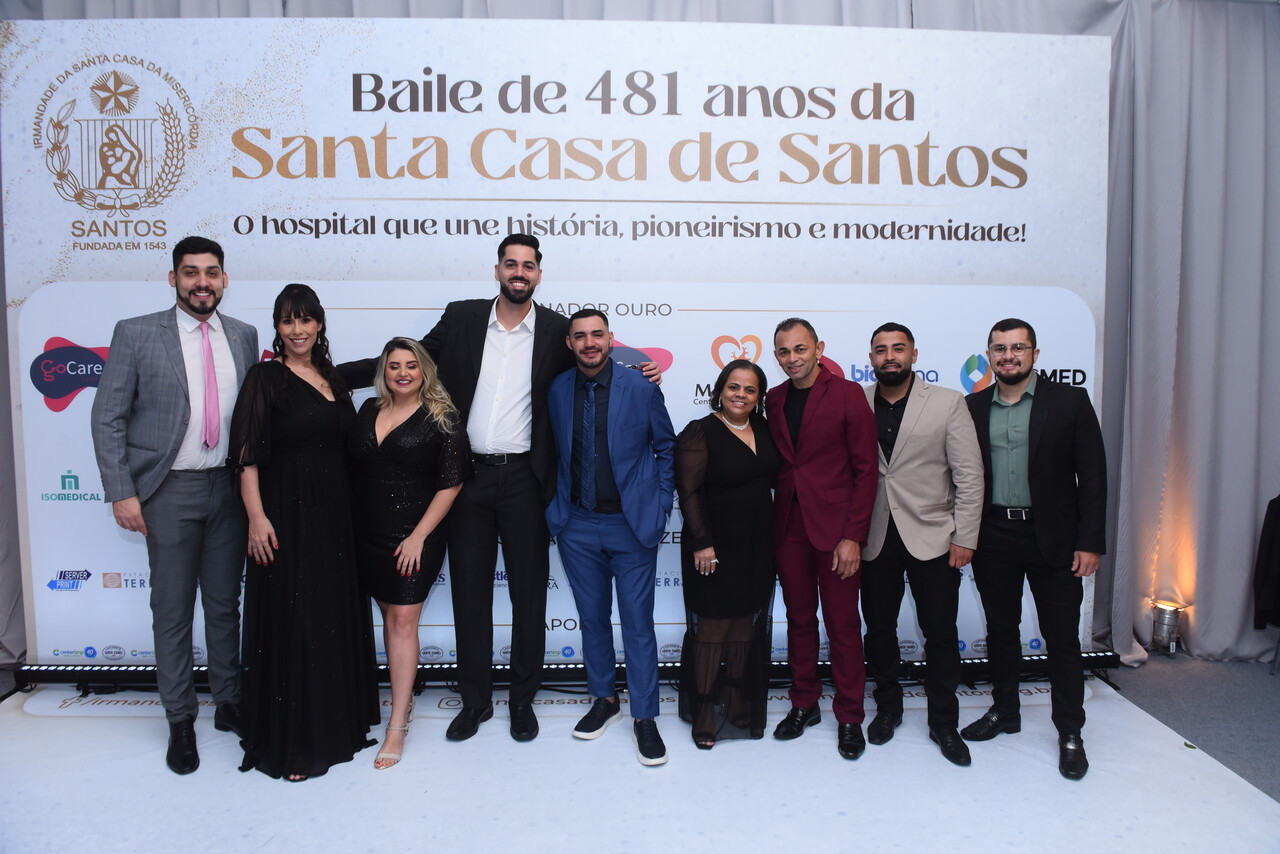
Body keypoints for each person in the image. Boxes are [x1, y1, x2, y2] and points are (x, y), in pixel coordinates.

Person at [337, 233, 658, 743]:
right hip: (466, 478)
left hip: (528, 480)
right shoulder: (462, 317)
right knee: (469, 594)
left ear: (539, 274)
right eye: (511, 264)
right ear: (497, 270)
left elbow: (595, 361)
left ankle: (522, 701)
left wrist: (640, 371)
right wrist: (322, 375)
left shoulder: (556, 329)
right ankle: (475, 701)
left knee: (529, 596)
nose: (519, 273)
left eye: (528, 266)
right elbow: (406, 359)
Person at [90, 236, 257, 775]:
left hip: (228, 490)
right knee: (172, 610)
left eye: (211, 273)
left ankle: (228, 702)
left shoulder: (244, 335)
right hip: (168, 491)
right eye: (190, 272)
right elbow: (108, 417)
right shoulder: (136, 333)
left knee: (225, 604)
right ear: (173, 279)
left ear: (224, 280)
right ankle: (180, 718)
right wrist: (122, 491)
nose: (201, 283)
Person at [230, 283, 380, 781]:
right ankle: (295, 741)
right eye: (287, 320)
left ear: (319, 324)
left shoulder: (332, 377)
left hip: (336, 515)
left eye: (305, 319)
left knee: (329, 615)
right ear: (277, 326)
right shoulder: (265, 377)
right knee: (295, 617)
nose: (297, 330)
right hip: (285, 515)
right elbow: (247, 456)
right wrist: (257, 518)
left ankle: (337, 724)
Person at [960, 318, 1106, 780]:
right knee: (1001, 632)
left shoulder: (1069, 401)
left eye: (1018, 348)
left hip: (1056, 539)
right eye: (1000, 348)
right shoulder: (972, 407)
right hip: (993, 536)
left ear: (1035, 354)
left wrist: (1090, 542)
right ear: (989, 355)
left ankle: (1070, 731)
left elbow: (1093, 476)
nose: (1009, 356)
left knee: (1061, 638)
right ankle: (1005, 711)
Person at [546, 310, 676, 766]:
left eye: (597, 334)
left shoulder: (640, 386)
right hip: (576, 525)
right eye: (580, 336)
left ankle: (645, 716)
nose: (589, 343)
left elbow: (666, 447)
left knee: (638, 625)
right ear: (569, 343)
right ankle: (604, 699)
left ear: (610, 339)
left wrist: (660, 504)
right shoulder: (557, 390)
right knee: (592, 620)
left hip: (631, 524)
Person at [860, 323, 984, 766]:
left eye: (898, 348)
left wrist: (965, 536)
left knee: (941, 634)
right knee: (879, 630)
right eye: (880, 350)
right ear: (871, 359)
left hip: (934, 536)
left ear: (914, 354)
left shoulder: (948, 401)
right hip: (873, 537)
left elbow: (969, 474)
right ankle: (888, 709)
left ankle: (943, 722)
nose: (889, 356)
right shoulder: (857, 401)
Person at [348, 337, 471, 769]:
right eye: (394, 365)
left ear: (424, 372)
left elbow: (451, 483)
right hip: (367, 532)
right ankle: (402, 697)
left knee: (402, 620)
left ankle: (397, 724)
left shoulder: (443, 417)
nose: (403, 373)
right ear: (383, 371)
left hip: (415, 535)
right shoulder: (368, 409)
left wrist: (418, 536)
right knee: (388, 616)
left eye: (411, 366)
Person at [765, 317, 878, 760]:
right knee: (799, 620)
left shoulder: (848, 394)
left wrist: (853, 536)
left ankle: (850, 715)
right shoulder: (774, 399)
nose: (792, 358)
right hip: (788, 527)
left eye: (800, 348)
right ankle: (804, 703)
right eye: (784, 351)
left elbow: (866, 471)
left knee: (843, 624)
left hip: (837, 531)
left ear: (818, 348)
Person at [675, 359, 779, 749]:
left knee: (744, 625)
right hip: (714, 546)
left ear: (758, 397)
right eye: (734, 387)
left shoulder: (765, 428)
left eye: (750, 389)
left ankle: (736, 700)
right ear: (719, 390)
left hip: (757, 542)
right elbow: (689, 492)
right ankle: (704, 711)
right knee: (713, 629)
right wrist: (702, 542)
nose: (741, 395)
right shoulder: (700, 431)